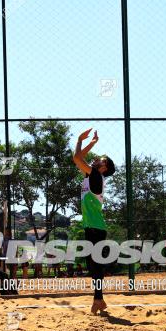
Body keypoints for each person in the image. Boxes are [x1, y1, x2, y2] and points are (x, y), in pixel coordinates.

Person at [72, 128, 115, 314]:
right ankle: (99, 299)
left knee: (95, 265)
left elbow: (76, 158)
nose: (97, 159)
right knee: (93, 265)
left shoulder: (97, 176)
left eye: (102, 160)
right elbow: (79, 159)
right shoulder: (91, 176)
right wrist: (89, 143)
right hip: (93, 227)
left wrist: (82, 140)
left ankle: (98, 299)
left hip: (96, 228)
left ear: (104, 168)